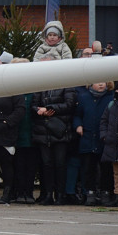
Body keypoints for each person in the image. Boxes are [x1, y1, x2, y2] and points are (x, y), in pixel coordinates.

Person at [30, 76, 77, 206]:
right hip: (43, 131)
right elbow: (33, 105)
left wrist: (50, 108)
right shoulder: (40, 85)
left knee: (60, 164)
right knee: (46, 164)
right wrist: (40, 111)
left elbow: (69, 104)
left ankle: (60, 195)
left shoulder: (67, 83)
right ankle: (48, 194)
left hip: (60, 130)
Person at [74, 82, 113, 206]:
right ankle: (89, 193)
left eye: (103, 81)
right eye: (97, 81)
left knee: (106, 168)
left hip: (105, 139)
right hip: (88, 137)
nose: (101, 84)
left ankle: (105, 193)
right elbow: (77, 115)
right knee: (88, 168)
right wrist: (78, 125)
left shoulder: (111, 98)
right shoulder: (84, 97)